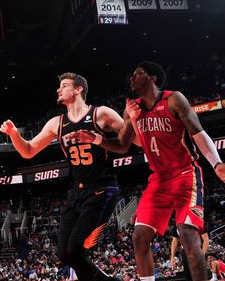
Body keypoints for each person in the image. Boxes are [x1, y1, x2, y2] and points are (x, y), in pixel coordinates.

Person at [74, 61, 225, 281]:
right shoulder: (132, 108)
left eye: (138, 74)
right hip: (158, 181)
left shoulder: (174, 99)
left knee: (188, 236)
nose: (132, 78)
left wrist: (217, 163)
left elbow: (198, 133)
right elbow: (122, 146)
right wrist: (96, 139)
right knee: (139, 237)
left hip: (185, 175)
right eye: (132, 75)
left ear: (152, 78)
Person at [0, 73, 125, 281]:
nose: (59, 89)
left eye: (64, 85)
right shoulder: (56, 123)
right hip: (77, 192)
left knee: (75, 251)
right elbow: (28, 151)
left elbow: (130, 140)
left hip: (102, 188)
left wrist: (99, 138)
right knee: (63, 254)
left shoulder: (101, 114)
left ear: (78, 89)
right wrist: (14, 135)